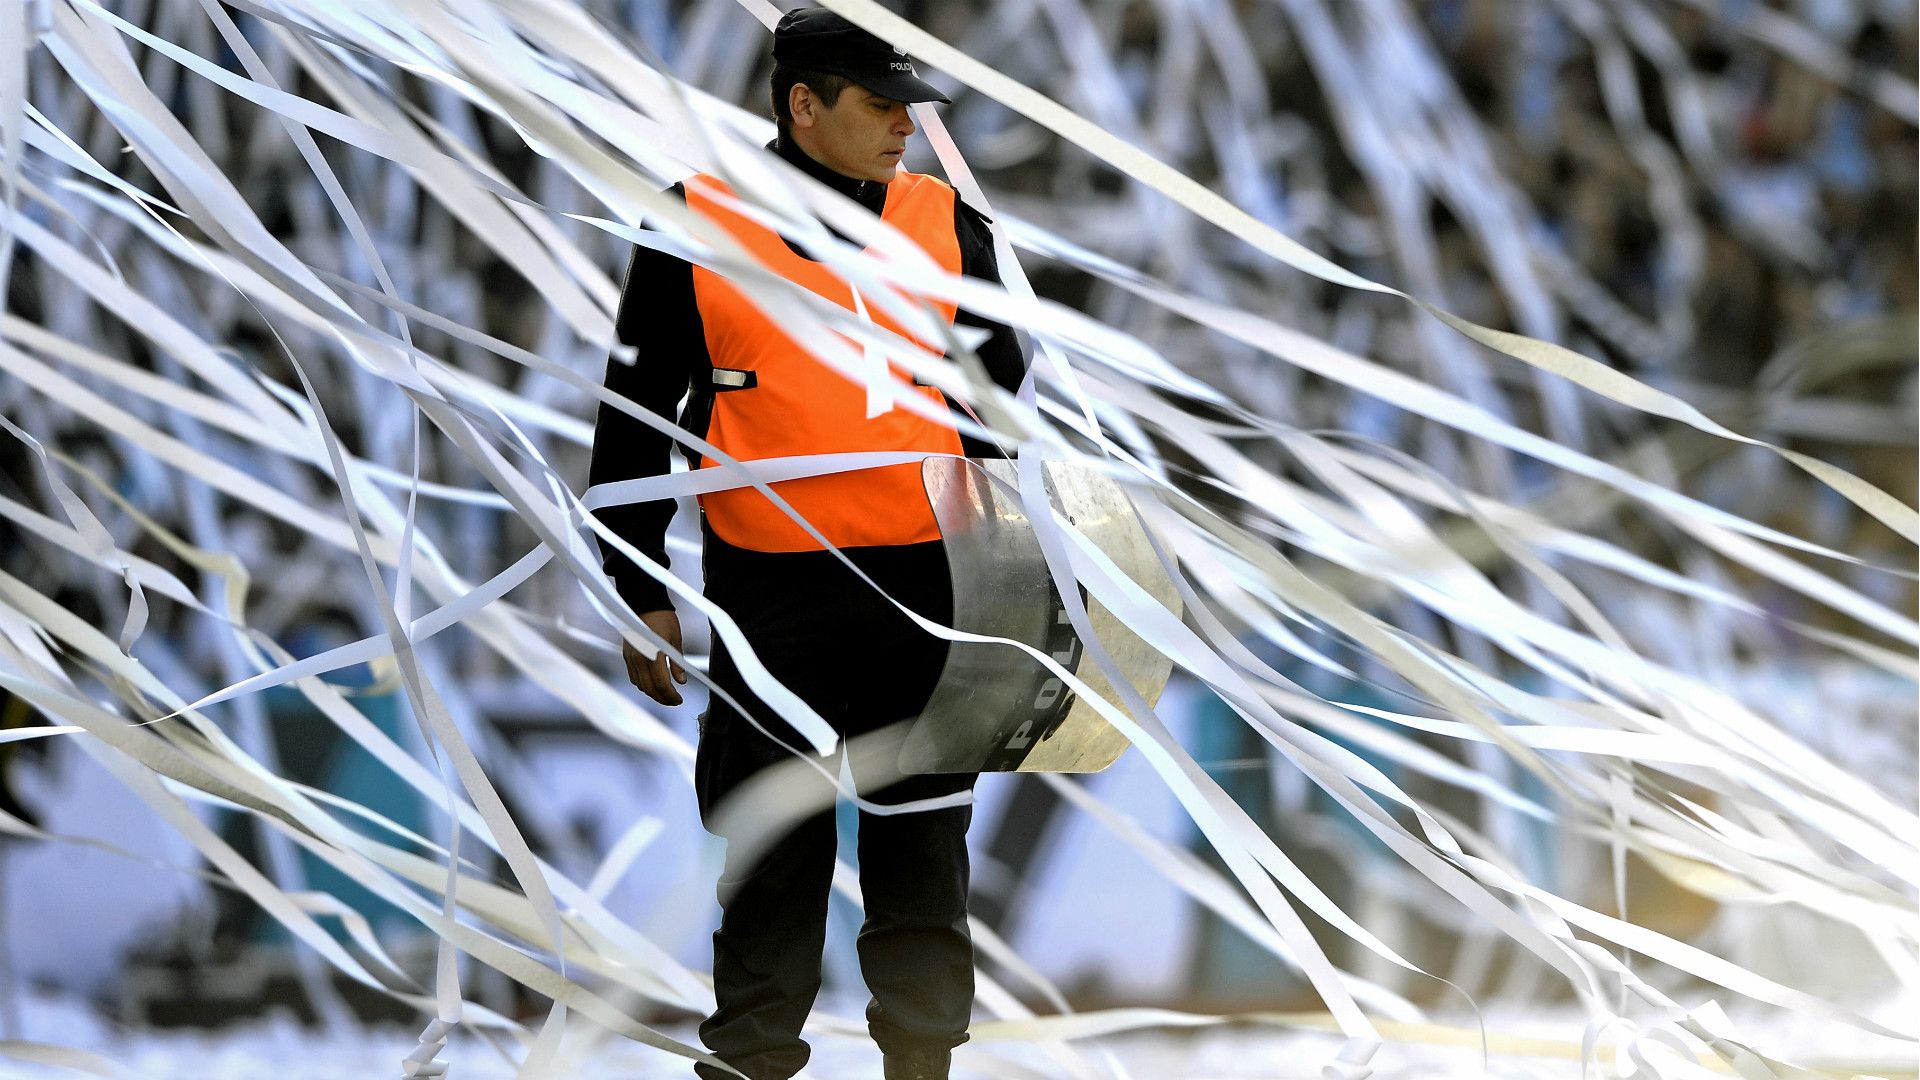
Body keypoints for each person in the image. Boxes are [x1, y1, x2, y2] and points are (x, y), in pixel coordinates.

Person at [587, 9, 1028, 1079]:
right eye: (881, 107)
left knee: (924, 874)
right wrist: (636, 583)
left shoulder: (950, 225)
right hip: (765, 607)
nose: (905, 131)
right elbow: (633, 416)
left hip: (926, 600)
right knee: (770, 873)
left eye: (910, 111)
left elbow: (1001, 405)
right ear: (801, 104)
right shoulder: (695, 224)